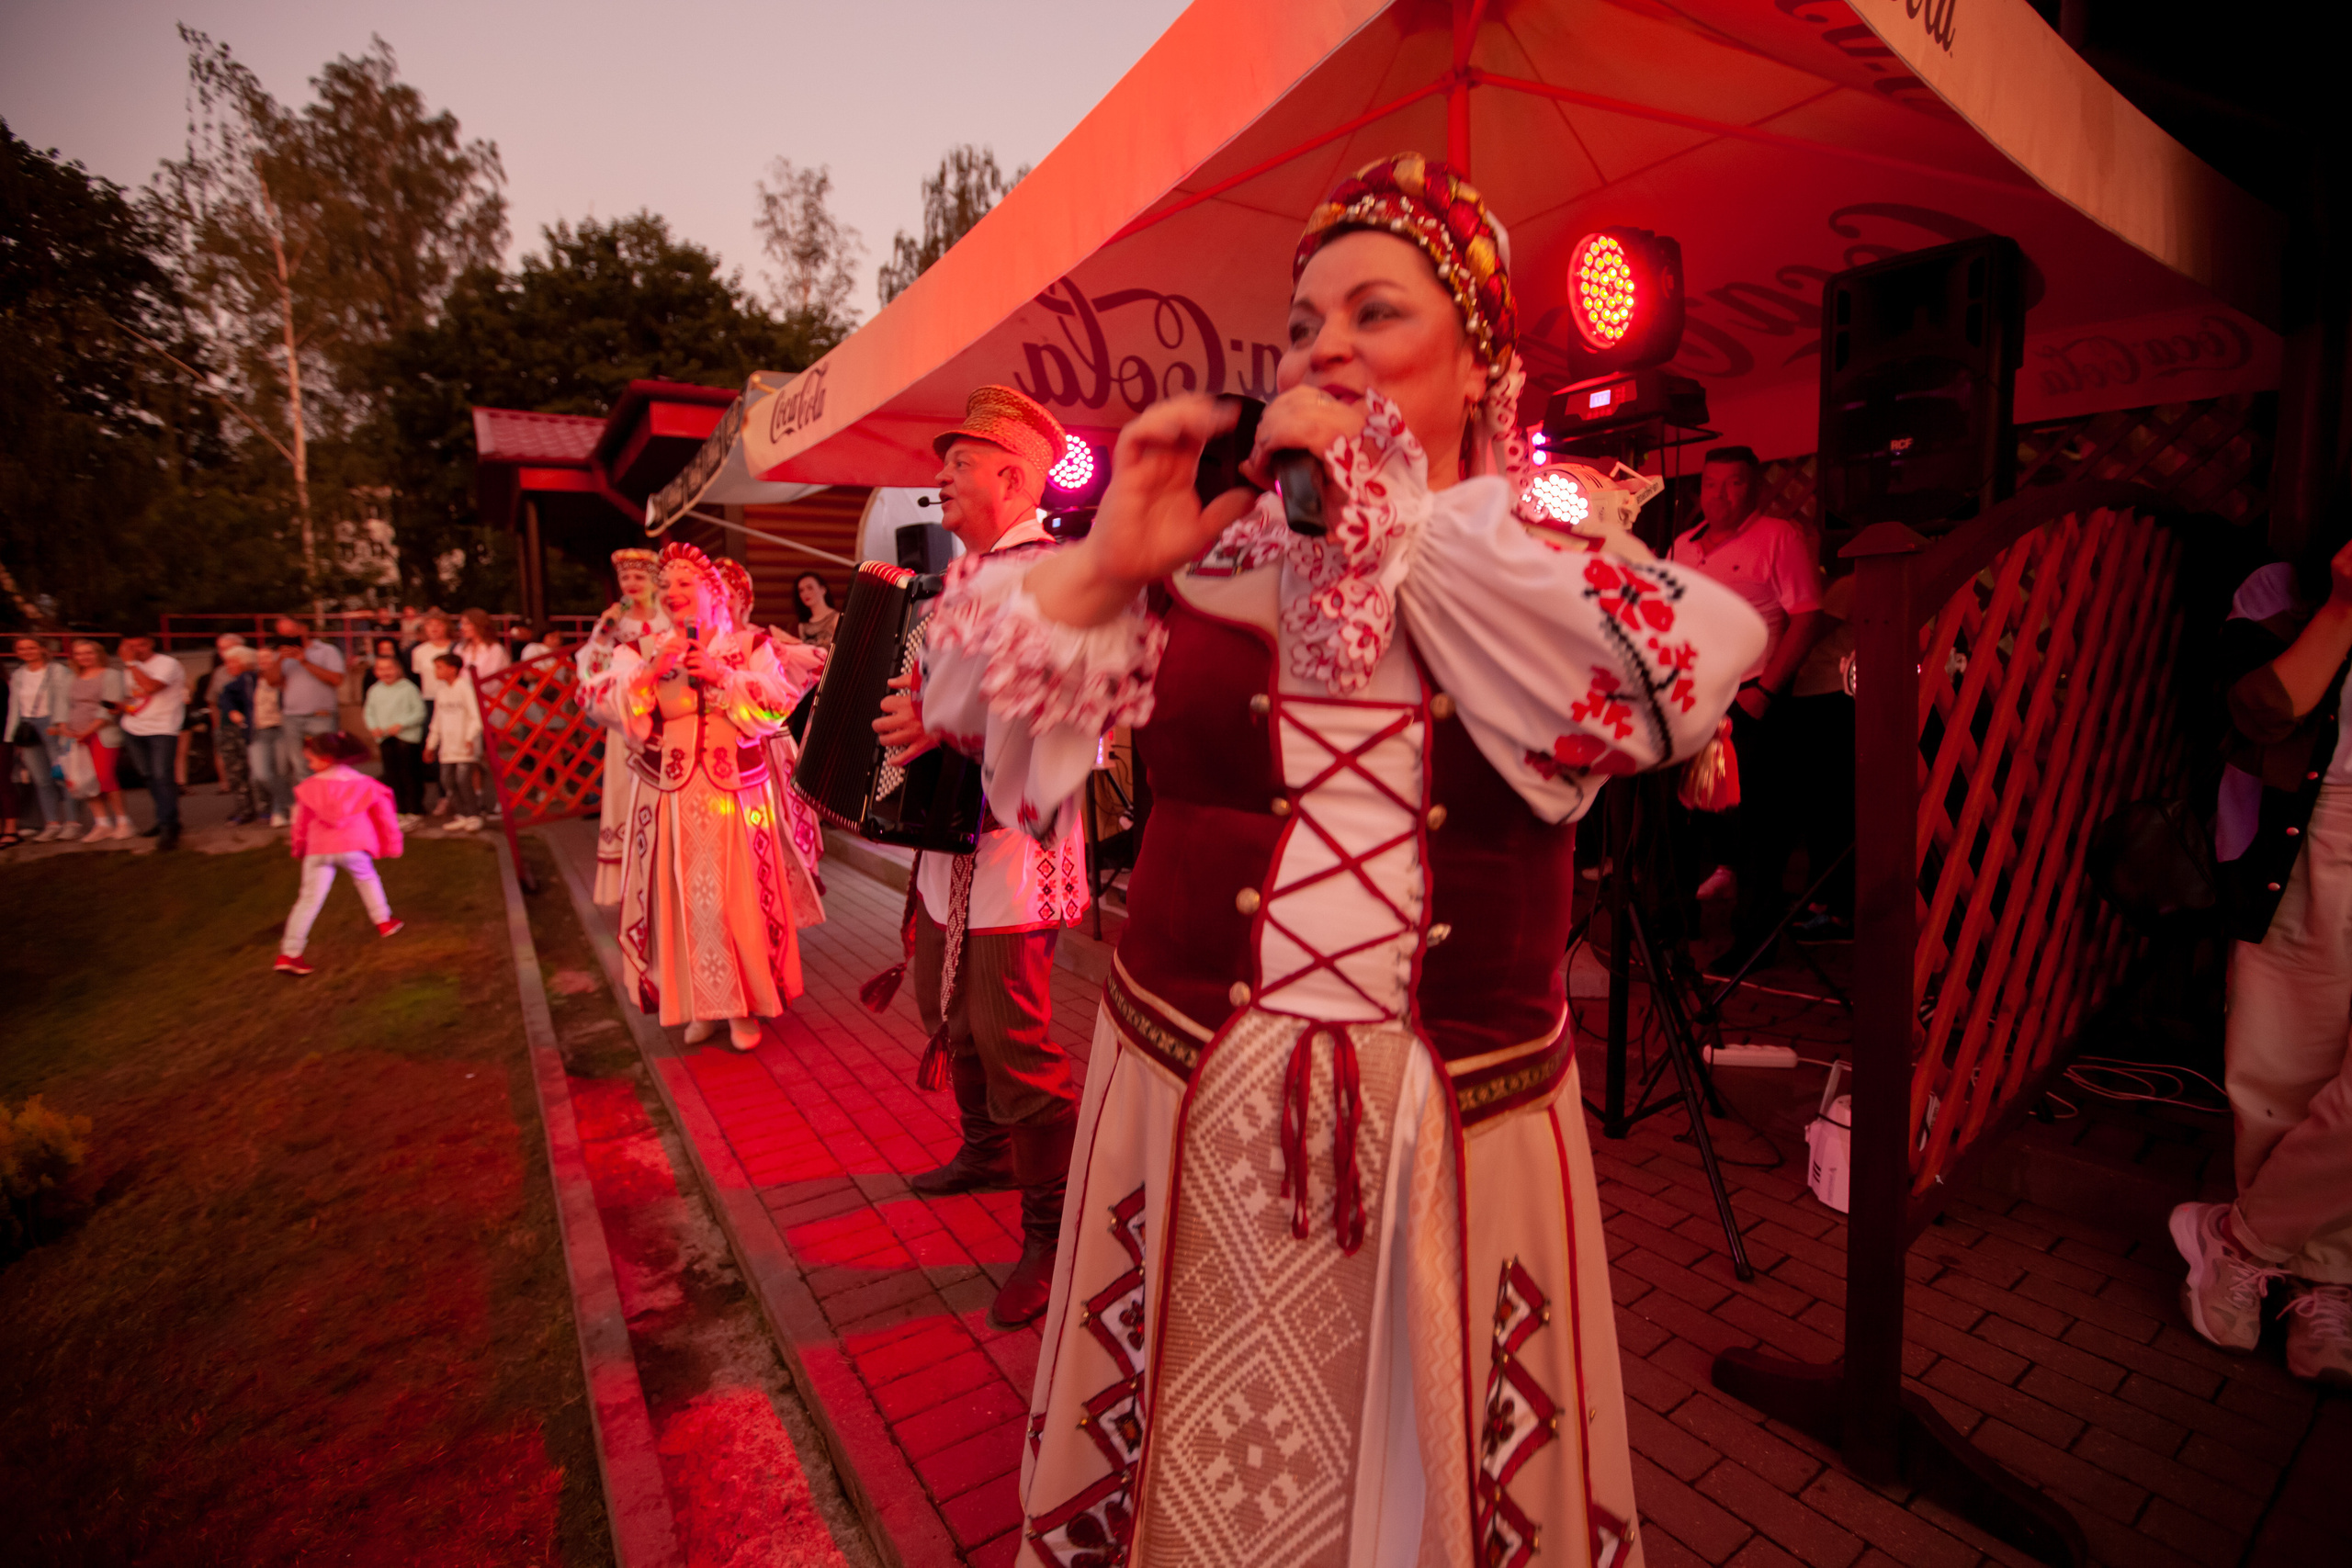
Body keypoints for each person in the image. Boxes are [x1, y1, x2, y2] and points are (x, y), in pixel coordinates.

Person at [910, 156, 1762, 1564]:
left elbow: (1688, 686)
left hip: (1452, 1123)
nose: (1329, 349)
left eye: (1379, 312)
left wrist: (1410, 536)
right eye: (1306, 323)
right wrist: (1112, 557)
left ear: (1482, 365)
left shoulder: (1542, 573)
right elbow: (961, 695)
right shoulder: (1202, 552)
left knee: (1424, 1484)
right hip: (1189, 1091)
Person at [869, 383, 1096, 1332]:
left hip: (1013, 845)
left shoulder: (1057, 578)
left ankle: (1051, 1234)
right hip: (946, 843)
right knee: (946, 1010)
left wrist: (944, 725)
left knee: (1013, 1040)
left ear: (1012, 478)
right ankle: (986, 1151)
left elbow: (1070, 722)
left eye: (958, 465)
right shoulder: (956, 580)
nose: (941, 479)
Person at [2174, 515, 2352, 1388]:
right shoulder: (2279, 592)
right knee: (2281, 1071)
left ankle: (2241, 1241)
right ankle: (2317, 1276)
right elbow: (2257, 711)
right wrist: (2345, 606)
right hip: (2319, 830)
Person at [583, 541, 825, 1052]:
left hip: (737, 796)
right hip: (669, 795)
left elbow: (779, 705)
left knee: (736, 896)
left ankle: (742, 1005)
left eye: (684, 583)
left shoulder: (750, 645)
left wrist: (722, 675)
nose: (673, 592)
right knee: (682, 898)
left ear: (711, 591)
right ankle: (698, 1004)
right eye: (665, 585)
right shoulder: (640, 650)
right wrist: (650, 674)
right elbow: (600, 702)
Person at [1669, 445, 1825, 964]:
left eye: (1734, 483)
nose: (1721, 495)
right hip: (1691, 700)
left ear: (1754, 487)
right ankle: (1675, 927)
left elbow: (1807, 615)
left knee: (1757, 825)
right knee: (1682, 818)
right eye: (1711, 484)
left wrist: (1766, 691)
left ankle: (1755, 944)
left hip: (1750, 695)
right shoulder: (1682, 546)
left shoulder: (1779, 537)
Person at [718, 556, 830, 928]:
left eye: (728, 593)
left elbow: (819, 660)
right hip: (727, 755)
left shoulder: (759, 639)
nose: (721, 601)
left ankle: (781, 917)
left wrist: (783, 650)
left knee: (780, 831)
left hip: (770, 749)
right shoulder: (706, 643)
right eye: (714, 593)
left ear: (743, 598)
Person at [578, 548, 672, 903]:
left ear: (654, 582)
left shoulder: (669, 618)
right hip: (626, 721)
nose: (631, 583)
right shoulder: (613, 623)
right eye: (625, 577)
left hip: (666, 714)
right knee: (624, 787)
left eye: (639, 577)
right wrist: (603, 634)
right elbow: (591, 673)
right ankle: (630, 875)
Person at [275, 729, 404, 976]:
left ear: (327, 758)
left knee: (309, 900)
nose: (309, 765)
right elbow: (386, 818)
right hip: (354, 846)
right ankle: (384, 921)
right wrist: (392, 845)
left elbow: (300, 824)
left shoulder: (309, 789)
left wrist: (298, 847)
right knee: (367, 879)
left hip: (318, 850)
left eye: (311, 760)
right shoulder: (365, 785)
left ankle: (290, 953)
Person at [263, 615, 346, 814]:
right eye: (283, 634)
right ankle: (312, 810)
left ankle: (332, 807)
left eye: (291, 633)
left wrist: (304, 661)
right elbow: (271, 681)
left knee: (327, 762)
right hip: (292, 717)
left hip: (321, 715)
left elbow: (336, 679)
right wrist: (280, 659)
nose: (288, 637)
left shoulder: (326, 651)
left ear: (303, 629)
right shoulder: (281, 655)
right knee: (300, 766)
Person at [115, 634, 188, 850]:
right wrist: (121, 706)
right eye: (130, 646)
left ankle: (169, 826)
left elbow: (151, 687)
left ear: (151, 644)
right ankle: (164, 817)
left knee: (162, 775)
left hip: (162, 727)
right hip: (133, 726)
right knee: (147, 775)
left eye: (141, 645)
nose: (136, 649)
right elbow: (135, 695)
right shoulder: (129, 669)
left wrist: (131, 663)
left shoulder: (167, 664)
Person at [60, 637, 133, 841]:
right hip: (75, 735)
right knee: (85, 779)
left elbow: (109, 706)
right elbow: (63, 705)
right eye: (79, 653)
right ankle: (102, 823)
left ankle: (123, 821)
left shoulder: (111, 675)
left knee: (104, 776)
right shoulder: (70, 678)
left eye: (88, 653)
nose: (84, 657)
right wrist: (64, 726)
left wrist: (89, 729)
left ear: (98, 654)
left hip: (101, 733)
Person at [7, 635, 76, 840]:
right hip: (28, 727)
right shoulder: (18, 674)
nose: (27, 652)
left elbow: (65, 700)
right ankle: (52, 823)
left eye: (32, 647)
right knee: (41, 779)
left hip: (52, 724)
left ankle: (72, 823)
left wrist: (61, 725)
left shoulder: (58, 671)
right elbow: (14, 706)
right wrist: (11, 736)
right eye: (22, 649)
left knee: (63, 776)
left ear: (42, 649)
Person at [424, 651, 485, 832]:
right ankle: (461, 815)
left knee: (463, 780)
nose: (436, 671)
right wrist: (431, 745)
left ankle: (474, 815)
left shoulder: (465, 688)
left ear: (452, 669)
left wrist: (470, 737)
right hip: (448, 747)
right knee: (447, 781)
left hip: (464, 745)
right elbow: (437, 721)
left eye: (439, 667)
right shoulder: (442, 692)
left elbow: (476, 716)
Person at [364, 654, 428, 825]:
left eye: (389, 668)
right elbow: (369, 712)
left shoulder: (408, 688)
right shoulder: (374, 690)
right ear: (375, 672)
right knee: (392, 775)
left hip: (406, 738)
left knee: (409, 774)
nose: (386, 672)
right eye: (381, 669)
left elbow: (419, 712)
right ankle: (399, 809)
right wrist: (374, 727)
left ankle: (415, 809)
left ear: (397, 669)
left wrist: (402, 724)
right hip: (384, 737)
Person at [213, 645, 264, 825]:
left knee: (249, 771)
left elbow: (230, 698)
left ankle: (255, 808)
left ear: (245, 662)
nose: (228, 666)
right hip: (229, 730)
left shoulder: (249, 679)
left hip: (243, 730)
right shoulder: (233, 682)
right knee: (237, 772)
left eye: (233, 662)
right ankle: (246, 808)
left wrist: (234, 710)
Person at [249, 645, 294, 825]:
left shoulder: (284, 679)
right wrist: (233, 711)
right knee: (261, 774)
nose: (264, 662)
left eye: (268, 658)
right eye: (260, 659)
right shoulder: (250, 680)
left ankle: (279, 811)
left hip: (282, 728)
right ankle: (291, 804)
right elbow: (227, 694)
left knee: (281, 772)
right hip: (260, 731)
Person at [794, 572, 842, 650]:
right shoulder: (803, 625)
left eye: (810, 588)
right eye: (801, 590)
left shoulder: (836, 618)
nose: (805, 593)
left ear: (823, 590)